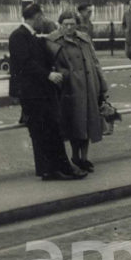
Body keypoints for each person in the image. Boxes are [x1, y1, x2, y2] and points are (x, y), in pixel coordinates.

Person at [8, 3, 85, 181]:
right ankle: (53, 169)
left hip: (39, 92)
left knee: (49, 129)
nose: (43, 21)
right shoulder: (19, 36)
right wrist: (48, 74)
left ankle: (55, 168)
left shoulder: (30, 36)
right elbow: (25, 64)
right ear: (36, 17)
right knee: (45, 130)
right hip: (32, 93)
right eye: (41, 17)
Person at [46, 10, 109, 172]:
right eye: (65, 24)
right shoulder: (53, 40)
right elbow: (50, 65)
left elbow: (95, 63)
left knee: (87, 121)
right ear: (60, 24)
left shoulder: (84, 39)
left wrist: (102, 86)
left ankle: (84, 157)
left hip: (88, 86)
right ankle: (75, 156)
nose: (69, 27)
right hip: (69, 88)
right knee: (75, 123)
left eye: (72, 24)